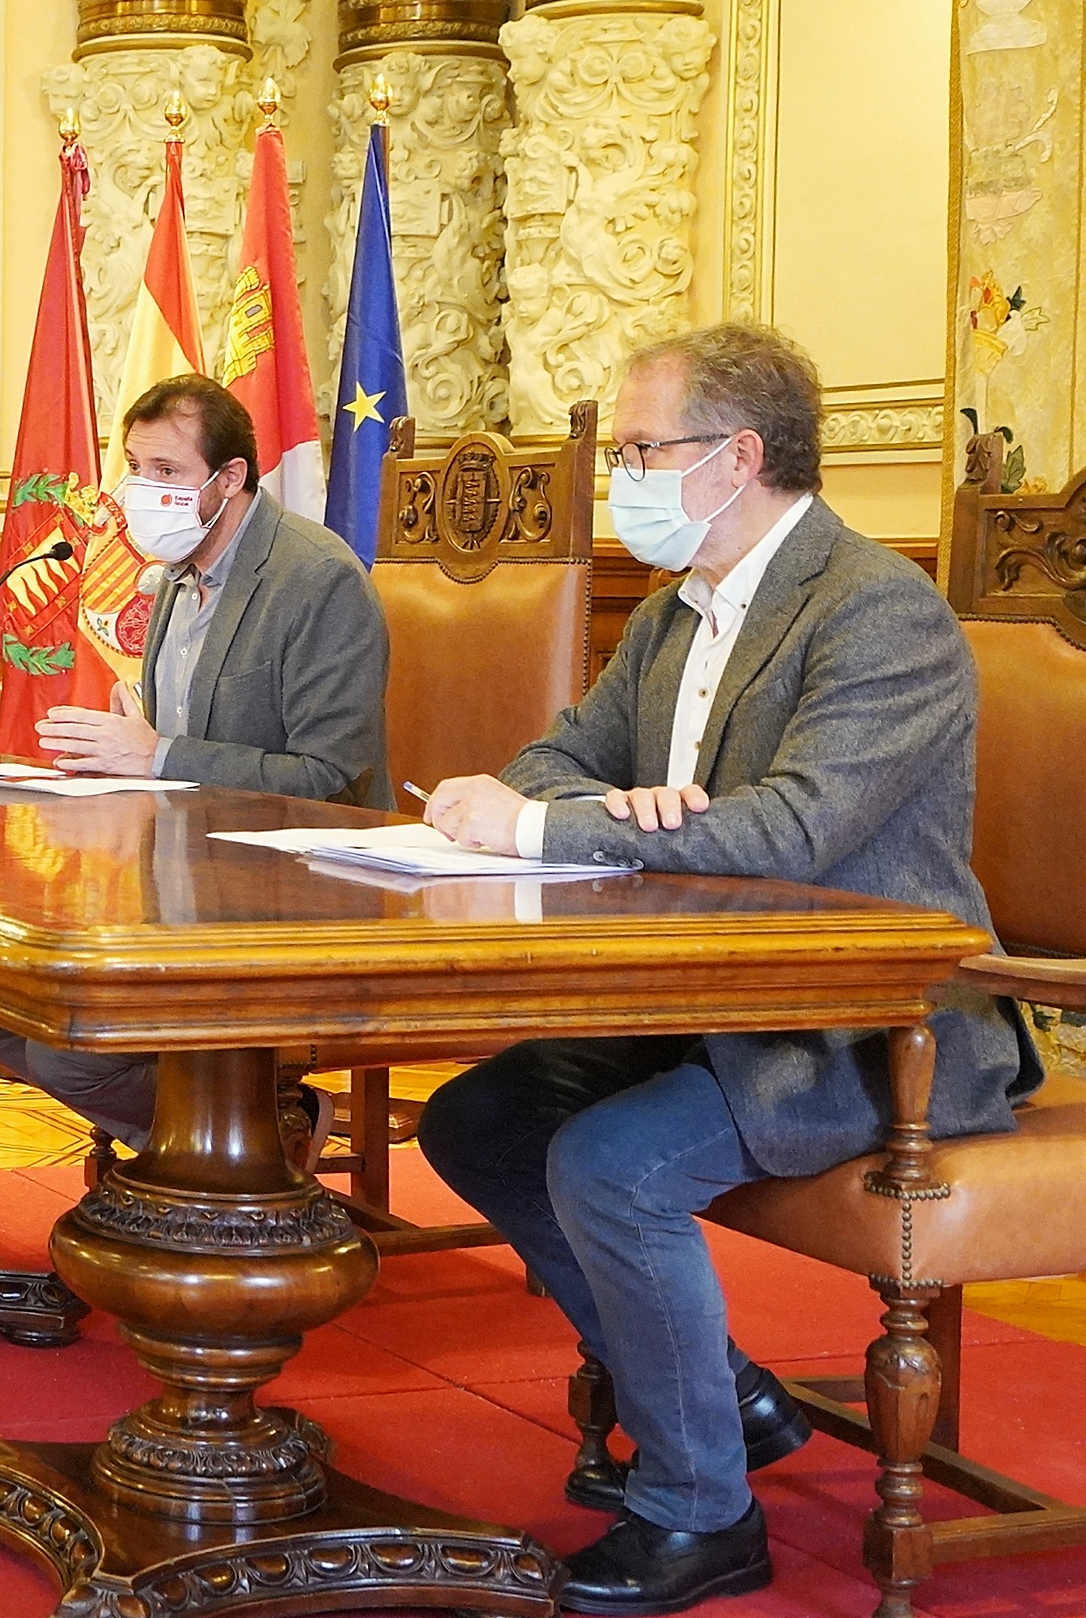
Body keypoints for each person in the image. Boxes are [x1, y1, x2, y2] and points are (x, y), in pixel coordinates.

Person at [417, 323, 1043, 1617]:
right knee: (478, 1116)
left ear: (738, 455)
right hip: (718, 998)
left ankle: (701, 1511)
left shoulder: (878, 609)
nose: (623, 477)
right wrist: (603, 804)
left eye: (642, 449)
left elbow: (796, 827)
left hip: (880, 1025)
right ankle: (728, 1395)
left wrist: (553, 830)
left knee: (611, 1163)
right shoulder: (671, 611)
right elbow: (552, 758)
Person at [0, 374, 392, 1153]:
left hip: (293, 898)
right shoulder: (174, 578)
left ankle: (249, 1147)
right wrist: (121, 761)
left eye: (167, 471)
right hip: (184, 886)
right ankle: (218, 1150)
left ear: (229, 477)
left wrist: (155, 752)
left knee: (73, 1052)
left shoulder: (316, 579)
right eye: (135, 466)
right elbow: (176, 758)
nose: (142, 490)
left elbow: (331, 778)